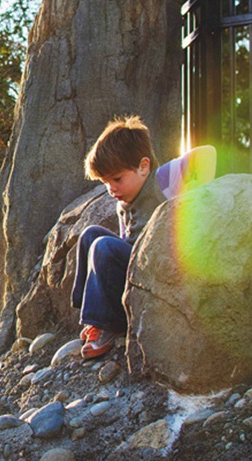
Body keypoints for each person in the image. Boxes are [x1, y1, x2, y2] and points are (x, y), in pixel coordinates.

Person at [71, 116, 217, 359]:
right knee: (90, 235)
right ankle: (91, 317)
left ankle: (108, 326)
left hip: (152, 270)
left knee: (103, 245)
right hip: (131, 274)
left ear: (143, 167)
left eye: (117, 179)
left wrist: (198, 200)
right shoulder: (123, 204)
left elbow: (207, 154)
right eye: (106, 182)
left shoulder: (162, 179)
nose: (111, 189)